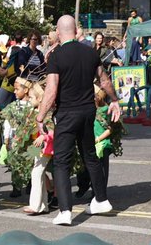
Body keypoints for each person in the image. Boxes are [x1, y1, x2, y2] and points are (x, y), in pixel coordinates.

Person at [36, 15, 121, 226]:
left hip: (67, 113)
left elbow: (51, 90)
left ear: (58, 31)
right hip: (87, 111)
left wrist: (40, 116)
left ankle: (65, 211)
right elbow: (104, 80)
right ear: (75, 30)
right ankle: (101, 200)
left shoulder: (56, 56)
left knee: (61, 162)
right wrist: (114, 100)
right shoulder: (90, 52)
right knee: (89, 155)